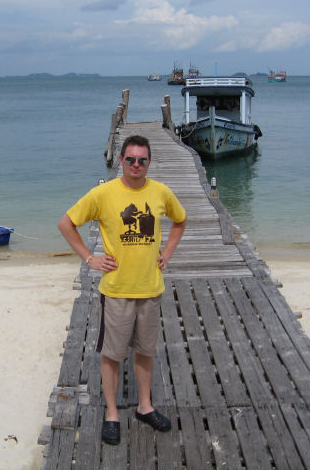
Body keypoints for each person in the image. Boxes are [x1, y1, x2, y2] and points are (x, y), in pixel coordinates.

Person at [57, 134, 187, 445]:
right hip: (116, 291)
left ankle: (145, 406)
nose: (136, 165)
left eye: (142, 160)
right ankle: (112, 413)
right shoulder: (103, 194)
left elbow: (180, 221)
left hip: (150, 289)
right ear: (121, 161)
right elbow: (66, 224)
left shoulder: (161, 192)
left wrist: (167, 253)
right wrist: (90, 258)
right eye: (130, 159)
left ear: (149, 162)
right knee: (112, 355)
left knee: (145, 351)